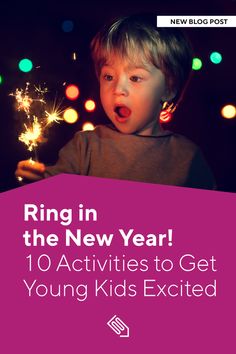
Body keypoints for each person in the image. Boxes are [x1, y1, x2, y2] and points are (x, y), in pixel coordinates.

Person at [15, 14, 215, 189]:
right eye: (109, 77)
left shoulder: (188, 159)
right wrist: (36, 181)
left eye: (135, 78)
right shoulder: (85, 147)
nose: (118, 90)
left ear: (169, 88)